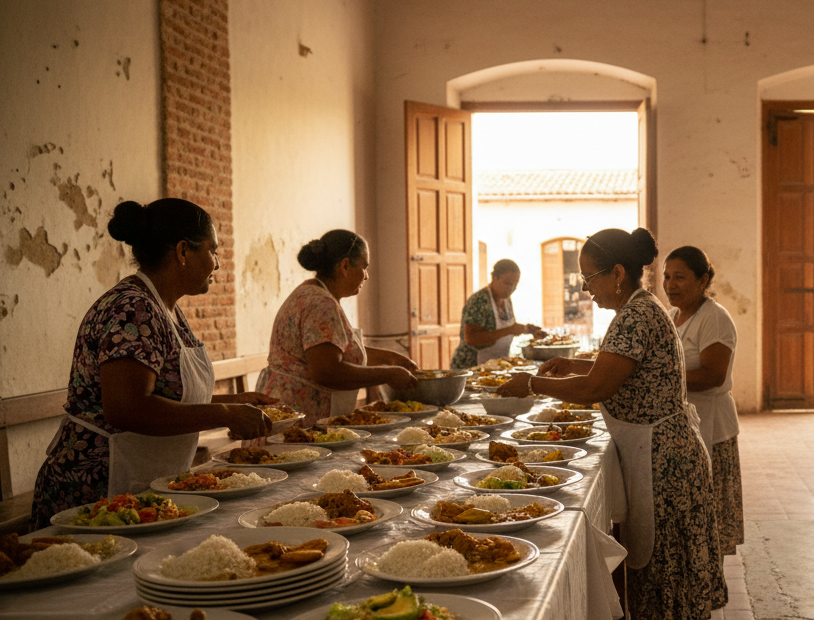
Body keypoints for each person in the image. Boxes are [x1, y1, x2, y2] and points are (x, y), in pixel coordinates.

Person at [496, 228, 727, 620]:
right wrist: (573, 365)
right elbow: (615, 371)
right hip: (661, 449)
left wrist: (535, 382)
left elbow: (597, 387)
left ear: (618, 274)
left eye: (591, 278)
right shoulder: (637, 311)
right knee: (666, 558)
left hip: (662, 456)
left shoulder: (635, 316)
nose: (587, 288)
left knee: (666, 562)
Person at [30, 198, 275, 528]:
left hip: (141, 481)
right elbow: (127, 408)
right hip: (98, 487)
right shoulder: (132, 309)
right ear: (183, 251)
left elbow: (170, 397)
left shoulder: (164, 308)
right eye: (213, 251)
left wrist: (236, 402)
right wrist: (225, 414)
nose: (217, 264)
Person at [256, 230, 417, 425]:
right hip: (297, 421)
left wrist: (390, 358)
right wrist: (388, 374)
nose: (366, 276)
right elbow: (327, 371)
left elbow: (335, 350)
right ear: (345, 266)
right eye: (364, 267)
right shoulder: (321, 303)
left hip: (291, 411)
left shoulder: (312, 294)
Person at [663, 246, 744, 557]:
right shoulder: (673, 316)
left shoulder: (714, 317)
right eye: (667, 277)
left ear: (703, 280)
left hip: (713, 426)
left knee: (710, 517)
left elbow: (714, 375)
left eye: (680, 277)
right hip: (688, 427)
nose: (670, 284)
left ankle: (709, 586)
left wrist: (662, 377)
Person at [449, 259, 545, 369]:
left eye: (515, 284)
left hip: (495, 366)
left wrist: (527, 329)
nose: (511, 288)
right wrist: (510, 330)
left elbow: (506, 327)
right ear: (494, 278)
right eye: (507, 283)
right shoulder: (479, 301)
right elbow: (471, 338)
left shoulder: (506, 300)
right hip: (472, 366)